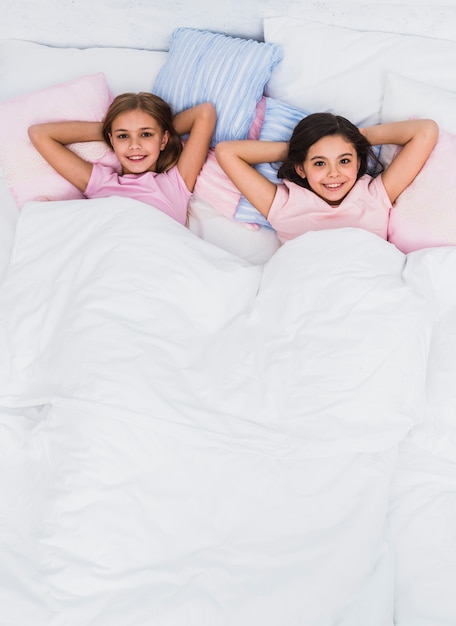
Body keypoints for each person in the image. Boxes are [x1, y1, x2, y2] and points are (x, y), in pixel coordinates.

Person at [215, 112, 439, 243]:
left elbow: (426, 130)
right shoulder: (283, 204)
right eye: (319, 163)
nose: (334, 173)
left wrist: (355, 137)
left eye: (344, 160)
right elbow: (227, 152)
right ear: (301, 169)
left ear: (358, 162)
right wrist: (299, 150)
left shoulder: (375, 195)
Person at [28, 93, 216, 226]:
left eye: (146, 134)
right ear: (111, 140)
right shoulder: (100, 182)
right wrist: (111, 131)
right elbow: (39, 134)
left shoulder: (175, 183)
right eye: (123, 137)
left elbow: (204, 113)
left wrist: (153, 131)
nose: (134, 145)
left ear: (164, 140)